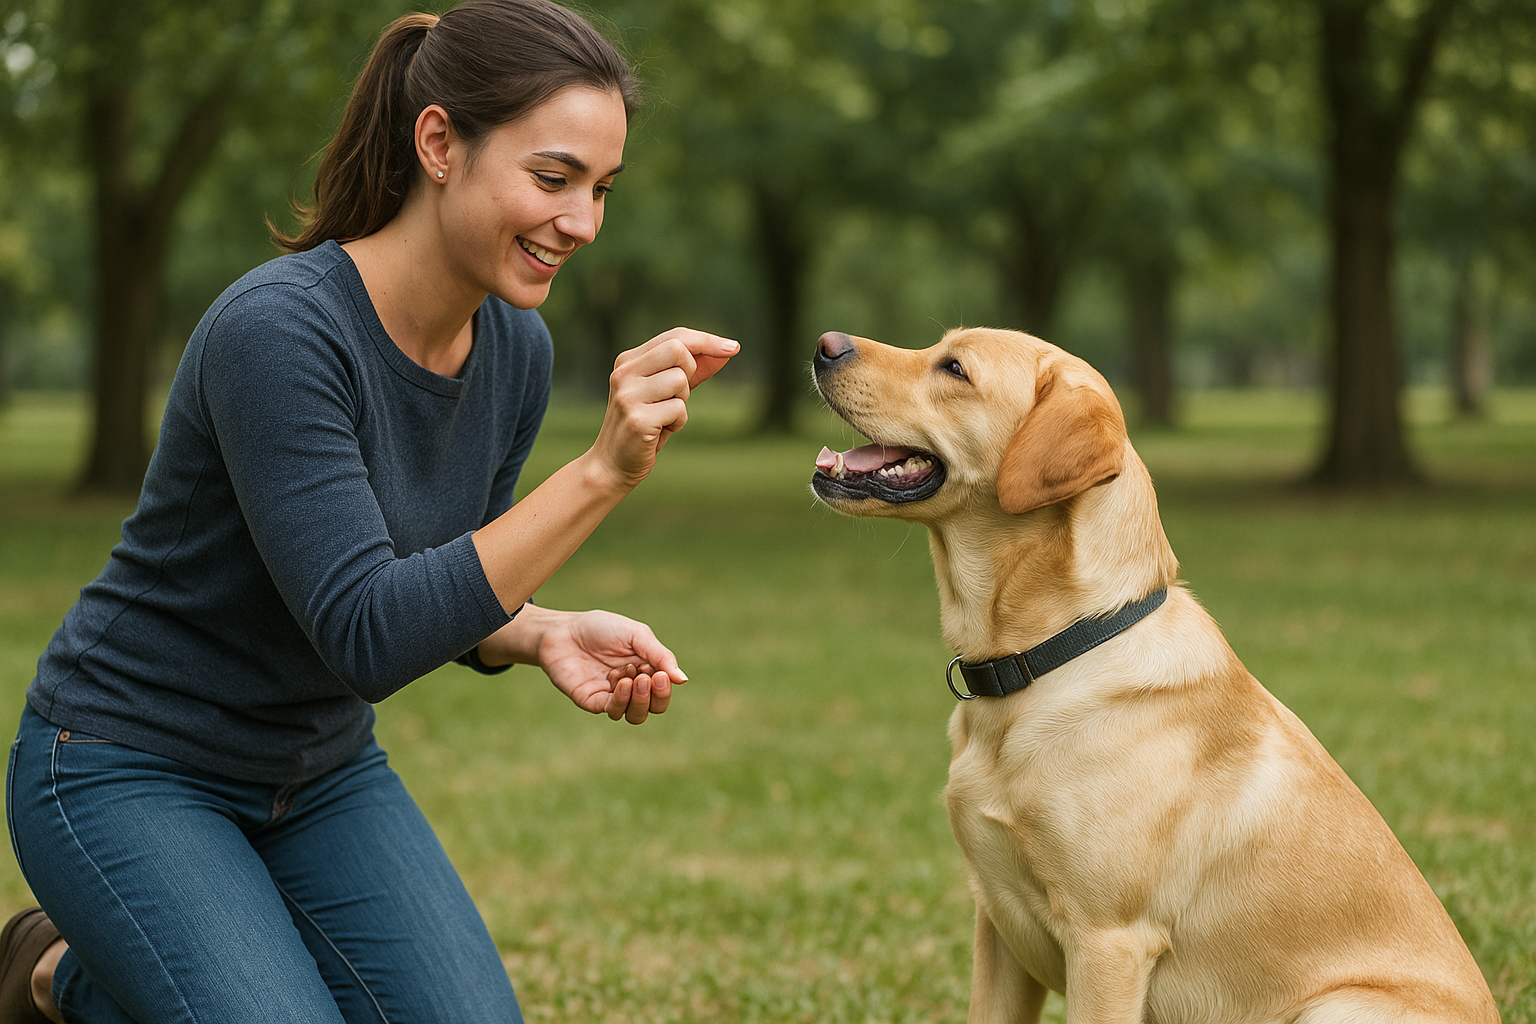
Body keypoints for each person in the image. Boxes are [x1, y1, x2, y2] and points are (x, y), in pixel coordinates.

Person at [1, 1, 738, 1021]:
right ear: (439, 143)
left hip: (317, 771)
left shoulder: (515, 348)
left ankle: (87, 976)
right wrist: (601, 472)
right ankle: (54, 967)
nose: (582, 223)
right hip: (129, 764)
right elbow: (369, 630)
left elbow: (437, 572)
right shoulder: (280, 332)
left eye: (602, 188)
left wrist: (541, 630)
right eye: (554, 177)